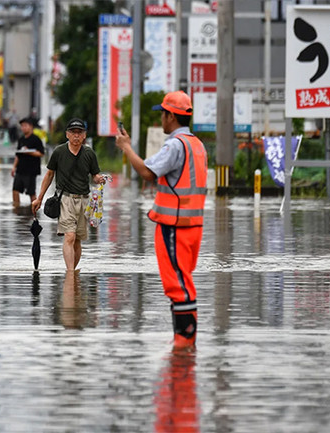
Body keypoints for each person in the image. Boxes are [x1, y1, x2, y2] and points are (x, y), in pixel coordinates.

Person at [114, 90, 208, 347]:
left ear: (171, 116)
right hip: (193, 225)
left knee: (176, 283)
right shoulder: (197, 145)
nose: (161, 120)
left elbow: (147, 171)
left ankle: (184, 341)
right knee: (183, 279)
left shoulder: (175, 145)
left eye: (163, 115)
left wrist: (126, 148)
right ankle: (185, 340)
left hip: (174, 225)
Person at [31, 118, 106, 271]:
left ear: (84, 135)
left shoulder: (89, 153)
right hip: (65, 199)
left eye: (80, 133)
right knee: (69, 236)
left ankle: (73, 273)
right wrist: (39, 198)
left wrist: (100, 179)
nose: (76, 136)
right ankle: (70, 273)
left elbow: (95, 175)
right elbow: (49, 174)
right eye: (73, 132)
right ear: (67, 134)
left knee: (78, 240)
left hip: (84, 201)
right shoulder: (59, 152)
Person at [11, 117, 45, 207]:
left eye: (25, 126)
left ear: (31, 127)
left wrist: (30, 152)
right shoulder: (21, 139)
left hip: (31, 171)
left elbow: (41, 153)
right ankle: (17, 209)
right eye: (22, 126)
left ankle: (34, 209)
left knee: (31, 192)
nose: (23, 128)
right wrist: (14, 167)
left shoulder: (36, 139)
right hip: (20, 169)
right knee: (15, 190)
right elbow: (18, 155)